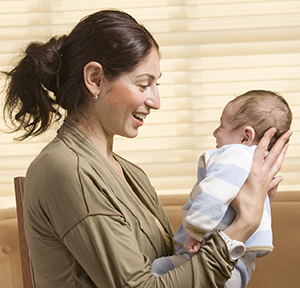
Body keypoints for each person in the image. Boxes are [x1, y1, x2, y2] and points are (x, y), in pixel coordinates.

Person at [2, 9, 292, 288]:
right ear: (95, 79)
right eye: (144, 85)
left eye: (157, 85)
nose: (156, 101)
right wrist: (242, 226)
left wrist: (237, 207)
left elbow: (175, 268)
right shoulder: (66, 170)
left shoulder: (131, 174)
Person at [152, 90, 292, 287]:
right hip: (242, 261)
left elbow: (214, 193)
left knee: (156, 270)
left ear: (246, 136)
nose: (215, 132)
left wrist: (196, 230)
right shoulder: (260, 164)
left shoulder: (234, 154)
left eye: (222, 126)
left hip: (212, 250)